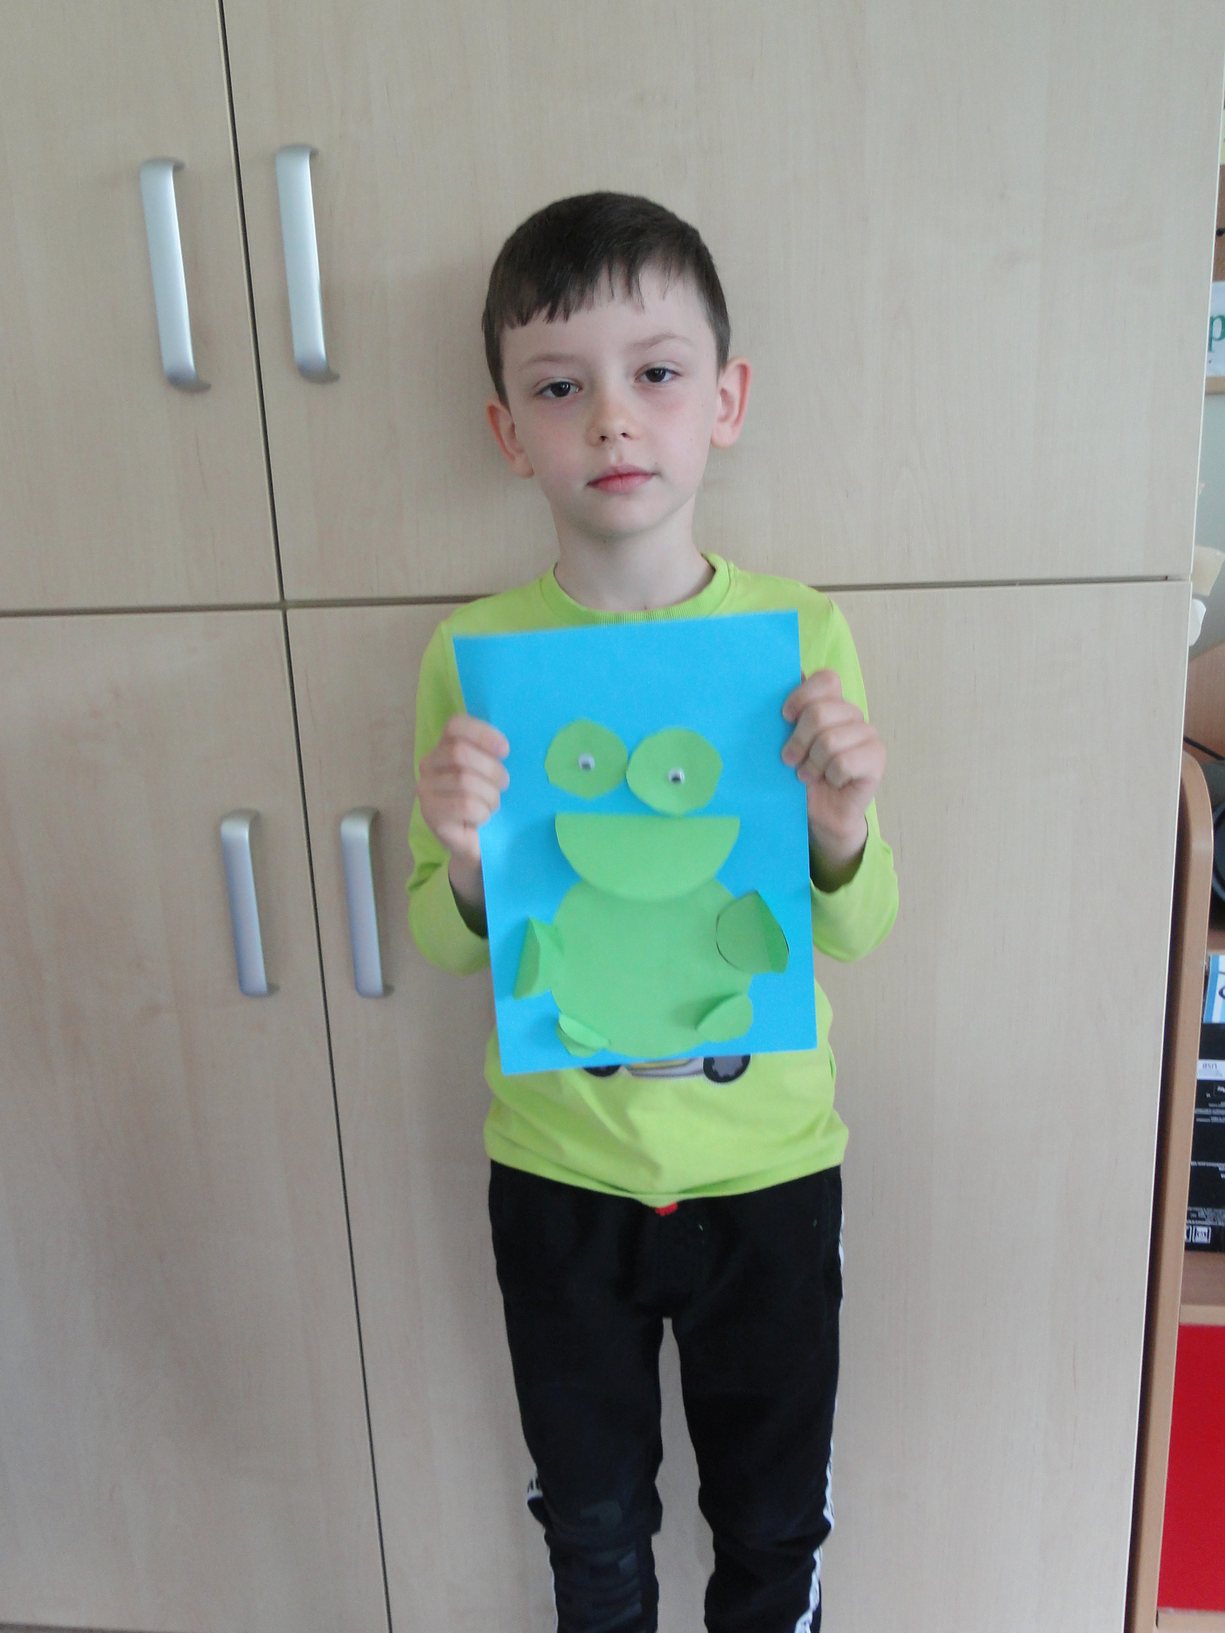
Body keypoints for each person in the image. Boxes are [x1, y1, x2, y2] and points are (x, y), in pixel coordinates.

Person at [407, 191, 898, 1633]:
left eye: (657, 373)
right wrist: (464, 854)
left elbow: (857, 929)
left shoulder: (800, 634)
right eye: (561, 388)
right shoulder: (472, 654)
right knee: (594, 1527)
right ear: (509, 431)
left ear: (724, 401)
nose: (613, 419)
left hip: (770, 1168)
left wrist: (841, 826)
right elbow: (444, 938)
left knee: (774, 1523)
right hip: (561, 1170)